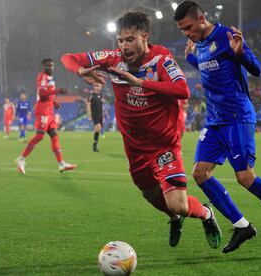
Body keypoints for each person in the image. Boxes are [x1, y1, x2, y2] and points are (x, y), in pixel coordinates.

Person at [61, 11, 221, 248]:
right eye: (120, 40)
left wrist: (140, 83)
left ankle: (206, 214)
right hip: (135, 149)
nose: (124, 46)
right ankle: (175, 219)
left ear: (144, 36)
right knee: (151, 195)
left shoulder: (160, 59)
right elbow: (68, 58)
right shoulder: (112, 58)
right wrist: (80, 71)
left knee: (178, 203)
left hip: (163, 144)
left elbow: (182, 90)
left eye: (130, 39)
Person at [174, 1, 261, 255]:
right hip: (214, 120)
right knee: (200, 174)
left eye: (188, 27)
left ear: (201, 18)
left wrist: (241, 53)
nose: (186, 33)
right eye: (182, 30)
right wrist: (190, 57)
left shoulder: (226, 36)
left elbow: (256, 69)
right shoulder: (198, 44)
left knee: (245, 177)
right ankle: (242, 225)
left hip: (237, 116)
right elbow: (209, 67)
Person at [15, 58, 76, 174]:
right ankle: (21, 159)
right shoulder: (42, 77)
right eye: (48, 65)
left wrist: (53, 102)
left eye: (52, 65)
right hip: (42, 110)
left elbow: (47, 94)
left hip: (49, 111)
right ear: (44, 66)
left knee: (54, 136)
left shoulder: (49, 78)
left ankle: (61, 164)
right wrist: (58, 91)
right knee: (40, 136)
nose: (51, 67)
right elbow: (42, 94)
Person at [86, 83, 104, 152]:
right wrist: (89, 115)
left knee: (98, 130)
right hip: (94, 115)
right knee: (98, 128)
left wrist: (102, 115)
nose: (98, 87)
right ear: (94, 87)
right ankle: (94, 145)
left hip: (100, 115)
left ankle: (95, 144)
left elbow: (100, 106)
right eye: (96, 86)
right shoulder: (91, 95)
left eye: (99, 86)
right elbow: (88, 105)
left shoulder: (100, 95)